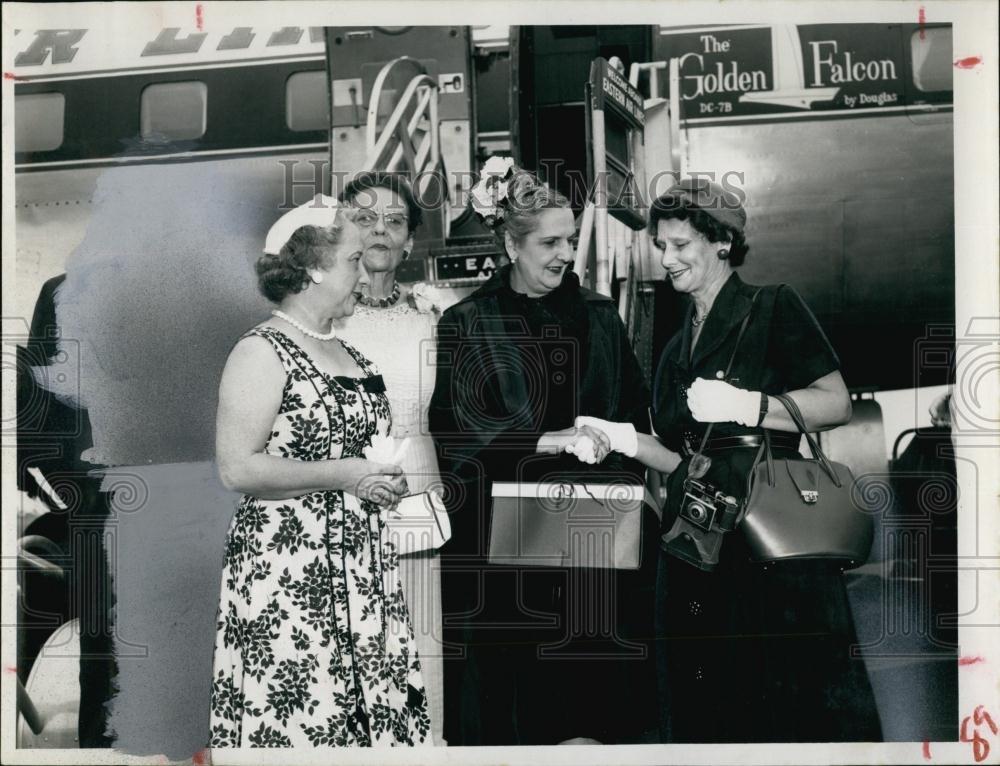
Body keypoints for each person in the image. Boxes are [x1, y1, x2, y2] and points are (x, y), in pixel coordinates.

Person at [572, 178, 883, 743]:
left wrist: (750, 405)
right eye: (661, 247)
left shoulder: (772, 306)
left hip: (768, 539)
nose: (666, 259)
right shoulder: (673, 343)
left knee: (783, 696)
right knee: (706, 702)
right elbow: (678, 459)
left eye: (680, 245)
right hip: (696, 543)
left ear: (721, 242)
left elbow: (835, 402)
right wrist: (623, 439)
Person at [428, 163, 659, 746]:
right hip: (507, 549)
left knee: (600, 698)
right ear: (511, 244)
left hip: (596, 533)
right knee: (522, 702)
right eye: (548, 242)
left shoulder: (602, 316)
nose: (562, 254)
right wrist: (541, 441)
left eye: (569, 239)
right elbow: (453, 431)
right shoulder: (469, 322)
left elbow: (635, 413)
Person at [209, 196, 431, 748]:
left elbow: (357, 453)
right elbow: (237, 468)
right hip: (291, 575)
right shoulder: (262, 351)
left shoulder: (349, 352)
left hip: (362, 569)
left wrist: (380, 478)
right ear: (311, 267)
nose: (365, 272)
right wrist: (348, 473)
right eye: (353, 260)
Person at [336, 171, 447, 744]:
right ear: (343, 229)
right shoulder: (320, 316)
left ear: (410, 242)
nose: (380, 230)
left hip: (418, 490)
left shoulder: (434, 314)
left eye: (395, 221)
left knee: (418, 636)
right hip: (342, 492)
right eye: (365, 217)